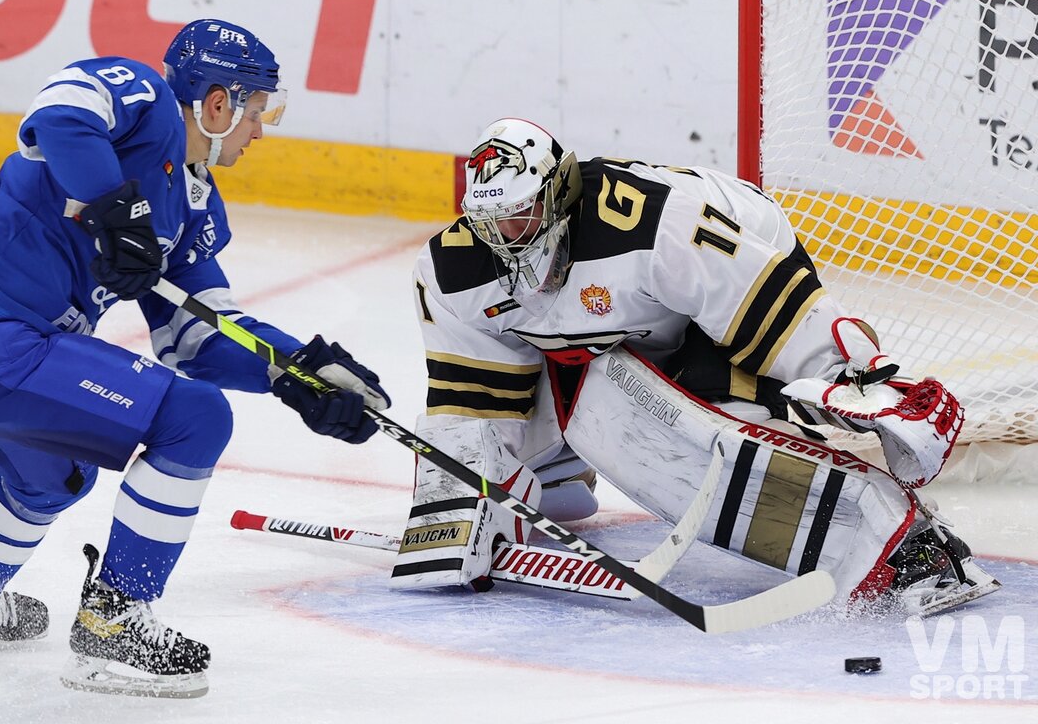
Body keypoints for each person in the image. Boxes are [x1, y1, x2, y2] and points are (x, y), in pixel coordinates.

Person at [0, 18, 389, 698]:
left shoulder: (193, 206)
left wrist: (294, 370)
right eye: (258, 110)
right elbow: (63, 111)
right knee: (193, 419)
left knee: (53, 478)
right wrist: (115, 207)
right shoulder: (146, 102)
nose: (260, 129)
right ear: (218, 102)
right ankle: (116, 620)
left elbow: (197, 334)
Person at [391, 116, 999, 616]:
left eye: (521, 213)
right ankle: (557, 472)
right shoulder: (452, 271)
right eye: (490, 221)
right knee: (582, 414)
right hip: (615, 334)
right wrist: (465, 499)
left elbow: (769, 310)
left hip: (728, 288)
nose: (506, 234)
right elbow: (477, 399)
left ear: (559, 191)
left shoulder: (654, 225)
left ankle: (909, 547)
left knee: (715, 442)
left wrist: (853, 376)